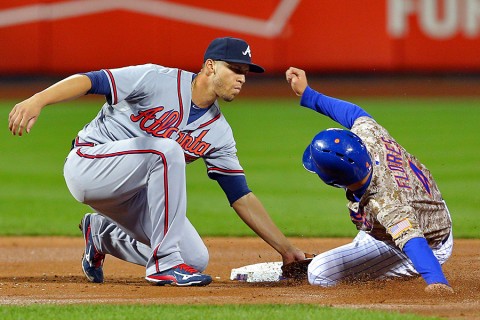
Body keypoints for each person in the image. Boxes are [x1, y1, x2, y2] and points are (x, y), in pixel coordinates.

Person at [8, 37, 306, 287]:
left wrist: (286, 249)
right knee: (167, 151)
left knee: (194, 258)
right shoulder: (155, 78)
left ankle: (102, 236)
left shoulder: (220, 132)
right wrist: (39, 99)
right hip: (90, 165)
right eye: (235, 68)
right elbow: (92, 80)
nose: (242, 77)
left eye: (246, 72)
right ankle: (164, 264)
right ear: (210, 66)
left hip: (134, 194)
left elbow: (240, 194)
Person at [285, 67, 454, 294]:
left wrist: (437, 282)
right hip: (428, 207)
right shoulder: (369, 138)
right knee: (369, 222)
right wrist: (308, 93)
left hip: (429, 242)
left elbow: (412, 239)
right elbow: (354, 113)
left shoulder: (386, 204)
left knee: (318, 272)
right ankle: (361, 255)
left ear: (331, 180)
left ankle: (372, 267)